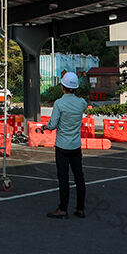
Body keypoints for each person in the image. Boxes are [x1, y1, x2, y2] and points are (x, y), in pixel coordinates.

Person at [42, 71, 87, 219]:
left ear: (63, 87)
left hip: (62, 145)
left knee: (63, 178)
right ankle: (80, 208)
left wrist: (45, 127)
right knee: (79, 177)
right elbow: (85, 105)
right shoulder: (81, 103)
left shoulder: (59, 104)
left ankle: (63, 208)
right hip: (76, 145)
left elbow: (53, 124)